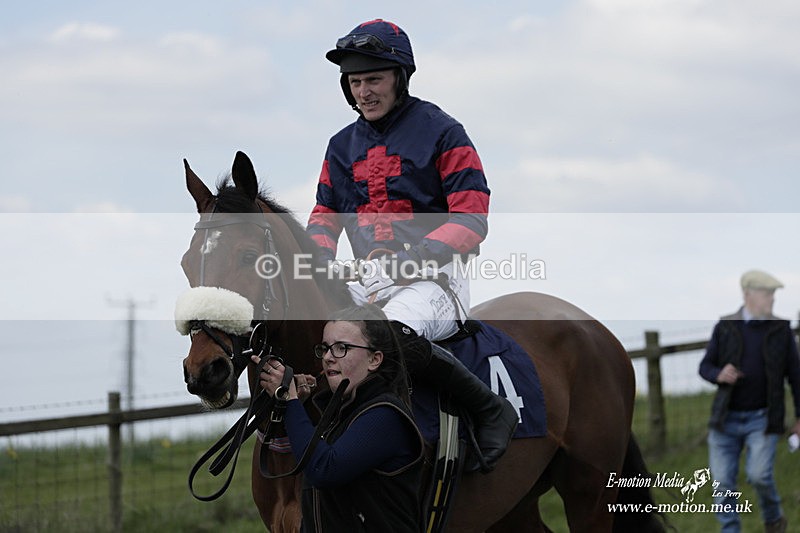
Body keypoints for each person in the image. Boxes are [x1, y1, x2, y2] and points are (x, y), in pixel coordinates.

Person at [306, 18, 517, 472]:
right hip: (368, 280)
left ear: (399, 78)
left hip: (436, 281)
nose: (364, 92)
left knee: (385, 335)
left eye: (374, 80)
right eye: (355, 82)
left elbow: (471, 217)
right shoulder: (340, 146)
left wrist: (413, 260)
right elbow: (324, 214)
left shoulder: (444, 131)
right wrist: (319, 260)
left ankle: (489, 409)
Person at [252, 305, 425, 532]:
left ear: (374, 359)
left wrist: (290, 400)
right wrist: (295, 403)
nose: (328, 357)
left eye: (342, 348)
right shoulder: (339, 414)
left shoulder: (385, 415)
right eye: (325, 348)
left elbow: (324, 470)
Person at [699, 269, 800, 533]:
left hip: (763, 419)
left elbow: (796, 376)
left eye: (773, 294)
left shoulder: (781, 330)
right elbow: (705, 366)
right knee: (722, 483)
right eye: (767, 293)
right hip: (725, 420)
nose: (772, 299)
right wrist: (718, 374)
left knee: (759, 475)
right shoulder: (725, 326)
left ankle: (773, 520)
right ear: (747, 295)